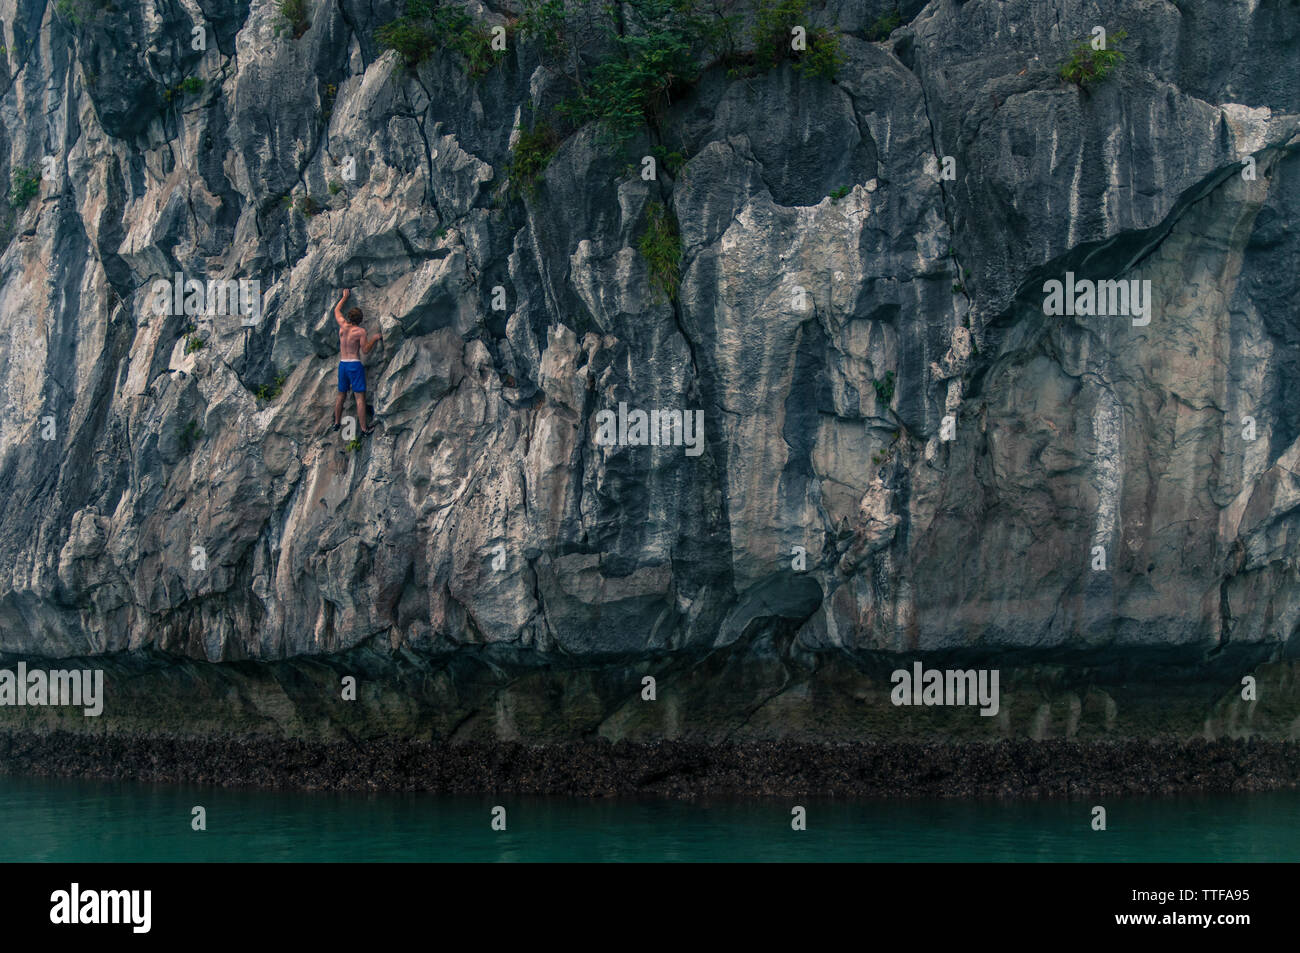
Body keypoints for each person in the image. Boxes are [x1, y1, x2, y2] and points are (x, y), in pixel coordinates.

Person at [331, 289, 382, 434]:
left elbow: (336, 310)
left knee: (341, 394)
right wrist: (374, 338)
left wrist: (344, 297)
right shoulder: (360, 332)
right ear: (360, 320)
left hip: (343, 364)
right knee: (359, 397)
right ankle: (364, 428)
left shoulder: (342, 326)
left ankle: (336, 422)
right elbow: (365, 350)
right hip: (354, 364)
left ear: (349, 317)